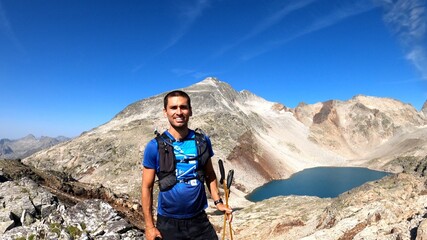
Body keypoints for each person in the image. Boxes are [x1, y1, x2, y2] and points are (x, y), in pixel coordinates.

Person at [141, 90, 232, 240]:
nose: (179, 112)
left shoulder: (202, 141)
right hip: (168, 223)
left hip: (199, 221)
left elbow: (209, 174)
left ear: (190, 111)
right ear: (165, 112)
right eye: (173, 108)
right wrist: (150, 226)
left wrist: (218, 202)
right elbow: (146, 187)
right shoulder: (154, 146)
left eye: (183, 107)